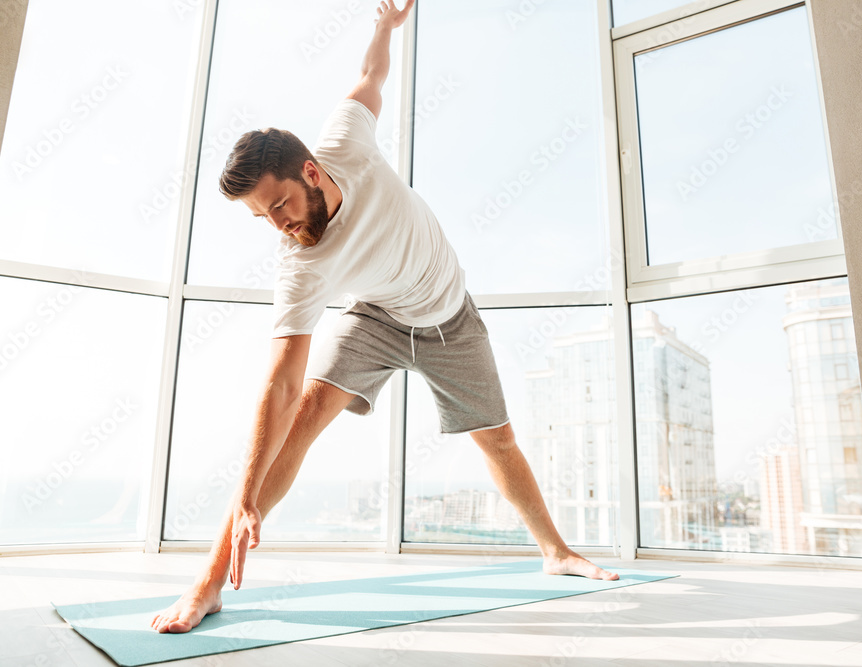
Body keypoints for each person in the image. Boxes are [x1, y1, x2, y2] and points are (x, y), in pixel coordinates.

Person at [150, 0, 617, 635]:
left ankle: (556, 553)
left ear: (312, 171)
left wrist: (384, 27)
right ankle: (208, 585)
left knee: (497, 440)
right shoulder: (299, 264)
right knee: (304, 416)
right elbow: (281, 383)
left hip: (451, 315)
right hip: (375, 318)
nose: (282, 225)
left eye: (282, 203)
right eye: (265, 218)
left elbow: (369, 79)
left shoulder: (346, 141)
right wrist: (249, 490)